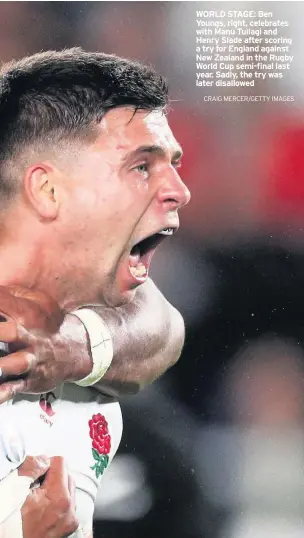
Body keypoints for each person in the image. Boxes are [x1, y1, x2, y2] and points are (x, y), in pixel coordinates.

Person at [0, 47, 190, 537]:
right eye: (141, 166)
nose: (179, 190)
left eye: (173, 163)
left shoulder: (82, 318)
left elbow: (162, 328)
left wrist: (69, 349)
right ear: (48, 191)